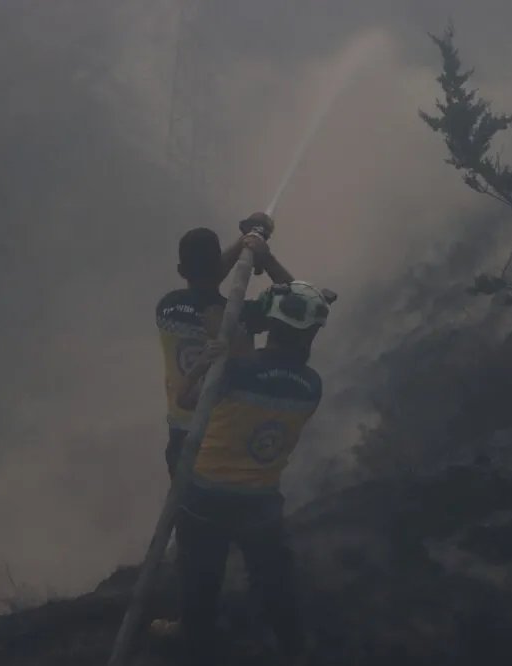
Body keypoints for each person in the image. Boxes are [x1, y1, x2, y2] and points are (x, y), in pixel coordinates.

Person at [170, 280, 334, 666]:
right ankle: (293, 649)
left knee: (200, 581)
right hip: (260, 500)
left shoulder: (233, 371)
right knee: (274, 579)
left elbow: (185, 400)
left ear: (270, 326)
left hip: (204, 497)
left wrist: (206, 364)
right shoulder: (312, 387)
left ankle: (197, 646)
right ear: (309, 336)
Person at [155, 215, 294, 479]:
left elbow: (209, 277)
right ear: (218, 264)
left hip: (180, 438)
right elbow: (301, 304)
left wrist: (246, 241)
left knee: (185, 510)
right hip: (224, 438)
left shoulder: (167, 308)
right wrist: (264, 257)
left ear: (181, 271)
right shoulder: (242, 316)